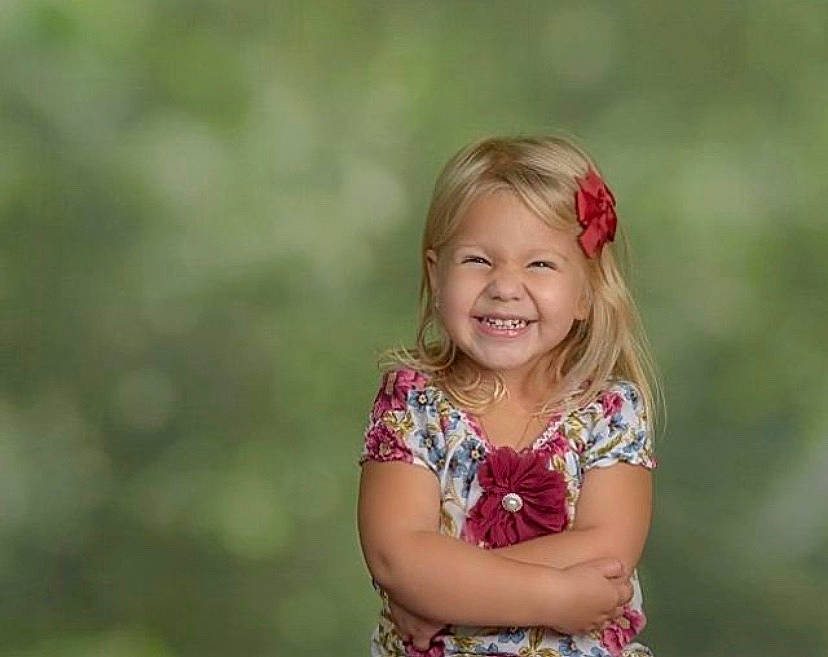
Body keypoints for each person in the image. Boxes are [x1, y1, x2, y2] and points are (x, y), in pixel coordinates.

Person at [356, 135, 660, 657]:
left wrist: (442, 591)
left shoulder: (610, 411)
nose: (505, 286)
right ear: (436, 273)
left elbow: (608, 553)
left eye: (540, 265)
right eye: (478, 260)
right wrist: (553, 595)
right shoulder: (414, 405)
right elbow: (395, 559)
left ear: (586, 292)